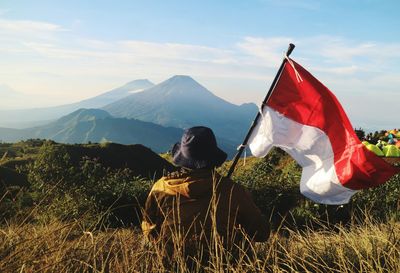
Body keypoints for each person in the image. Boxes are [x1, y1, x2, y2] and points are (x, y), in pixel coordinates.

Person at [141, 126, 269, 267]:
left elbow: (149, 228)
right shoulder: (233, 190)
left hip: (174, 264)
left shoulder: (161, 188)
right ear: (213, 158)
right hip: (223, 264)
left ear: (182, 158)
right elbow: (261, 233)